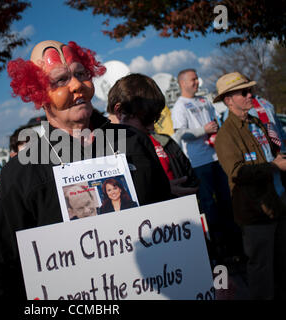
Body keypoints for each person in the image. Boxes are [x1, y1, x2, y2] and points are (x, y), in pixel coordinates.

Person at [0, 40, 172, 300]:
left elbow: (169, 220)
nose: (76, 85)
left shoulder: (134, 141)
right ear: (39, 94)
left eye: (81, 74)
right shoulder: (22, 171)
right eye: (60, 80)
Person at [214, 72, 286, 299]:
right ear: (228, 100)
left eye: (250, 90)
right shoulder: (226, 134)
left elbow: (269, 155)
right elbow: (237, 173)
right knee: (261, 270)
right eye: (243, 92)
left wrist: (278, 159)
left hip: (278, 202)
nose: (249, 95)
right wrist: (274, 166)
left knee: (281, 265)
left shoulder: (256, 122)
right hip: (256, 211)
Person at [107, 73, 199, 198]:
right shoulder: (102, 151)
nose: (151, 127)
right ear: (120, 111)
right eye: (146, 119)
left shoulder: (163, 141)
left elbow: (190, 178)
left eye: (155, 119)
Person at [172, 68, 234, 246]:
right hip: (199, 163)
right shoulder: (180, 105)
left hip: (216, 157)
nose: (197, 82)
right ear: (183, 83)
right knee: (208, 204)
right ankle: (218, 246)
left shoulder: (204, 100)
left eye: (197, 78)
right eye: (193, 79)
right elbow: (181, 132)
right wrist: (203, 131)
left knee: (226, 200)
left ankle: (233, 242)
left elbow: (216, 122)